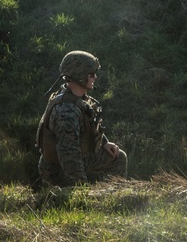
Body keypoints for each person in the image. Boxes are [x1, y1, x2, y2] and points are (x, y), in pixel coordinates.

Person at [35, 50, 127, 192]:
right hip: (58, 169)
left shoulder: (78, 98)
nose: (95, 77)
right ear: (80, 76)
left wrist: (103, 143)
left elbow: (90, 123)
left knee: (118, 157)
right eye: (91, 74)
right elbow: (68, 154)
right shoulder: (67, 111)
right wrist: (81, 188)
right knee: (75, 197)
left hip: (77, 156)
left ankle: (113, 198)